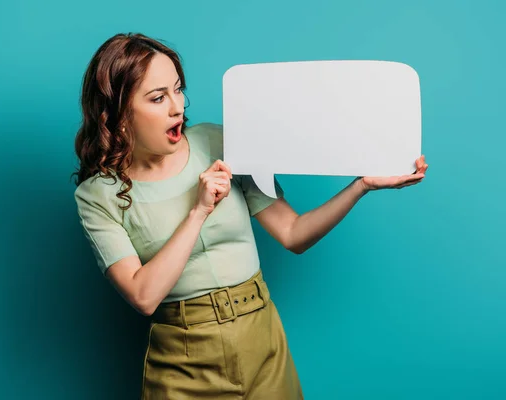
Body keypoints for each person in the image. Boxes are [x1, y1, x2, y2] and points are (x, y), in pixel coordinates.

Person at [72, 32, 428, 400]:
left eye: (178, 90)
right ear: (116, 114)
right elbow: (144, 296)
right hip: (183, 361)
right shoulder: (97, 196)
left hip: (262, 339)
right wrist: (199, 211)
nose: (177, 107)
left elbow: (293, 233)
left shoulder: (221, 142)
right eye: (158, 98)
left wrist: (362, 186)